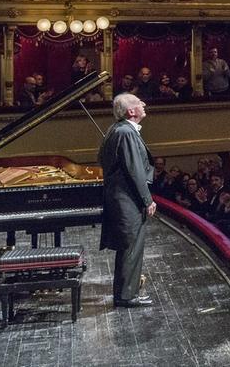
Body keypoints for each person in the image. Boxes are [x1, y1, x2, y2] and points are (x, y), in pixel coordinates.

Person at [98, 93, 156, 308]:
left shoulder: (116, 130)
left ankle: (125, 293)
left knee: (128, 247)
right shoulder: (126, 133)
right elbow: (135, 171)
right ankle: (126, 296)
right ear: (131, 111)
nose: (144, 103)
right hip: (128, 200)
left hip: (121, 198)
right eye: (139, 102)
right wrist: (147, 200)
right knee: (131, 247)